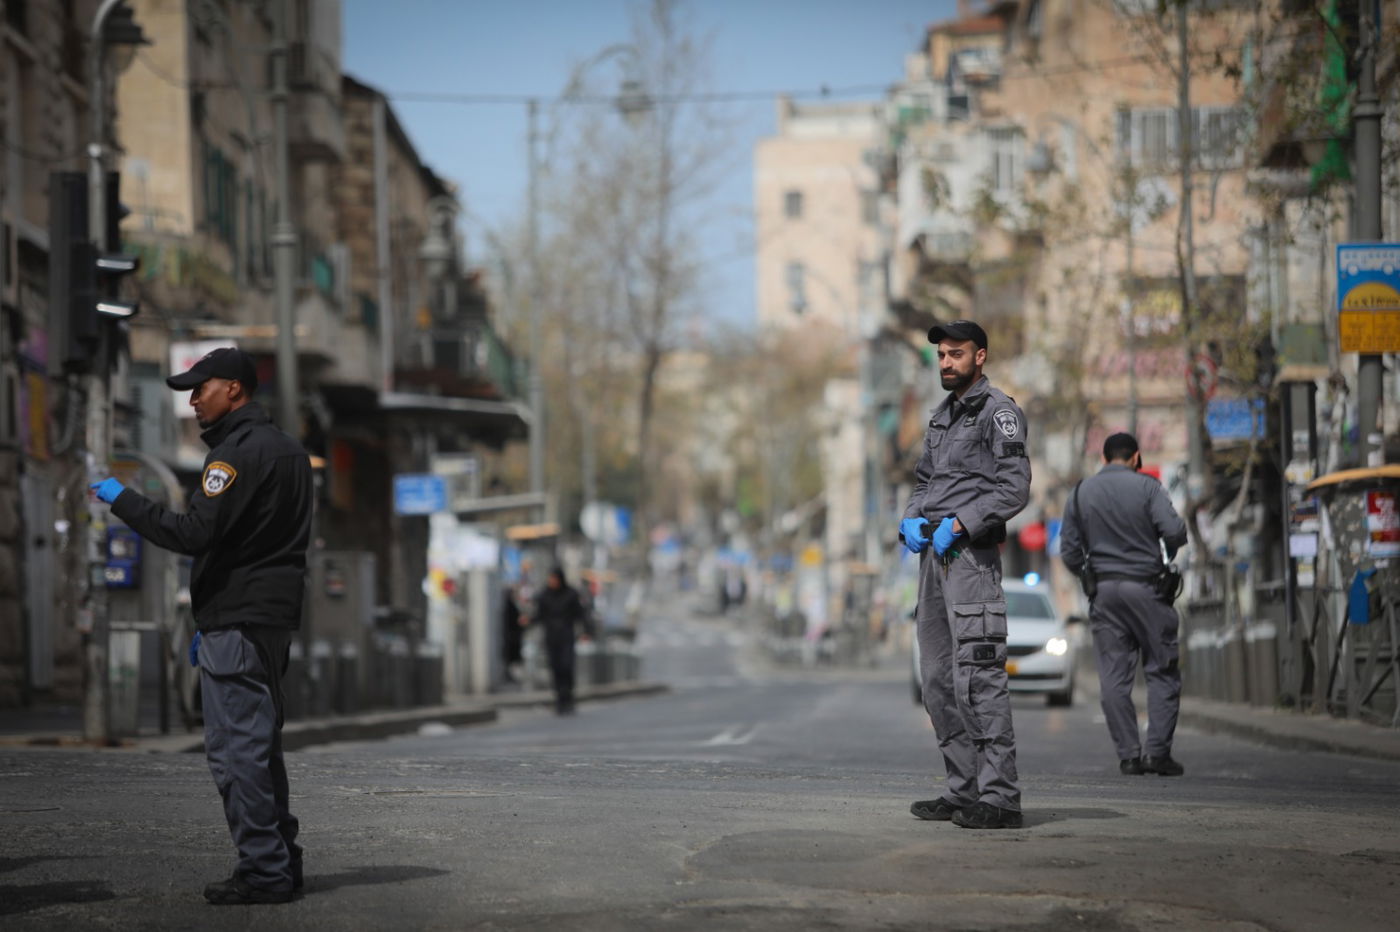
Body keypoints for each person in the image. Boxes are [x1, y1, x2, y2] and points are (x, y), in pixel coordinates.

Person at [89, 347, 312, 904]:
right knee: (260, 748)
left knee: (236, 752)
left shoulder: (231, 458)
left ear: (233, 389)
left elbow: (192, 534)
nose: (192, 401)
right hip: (268, 620)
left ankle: (264, 871)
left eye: (201, 388)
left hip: (236, 620)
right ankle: (282, 862)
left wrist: (122, 500)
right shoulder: (289, 452)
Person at [901, 320, 1031, 830]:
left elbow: (1014, 488)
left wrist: (960, 523)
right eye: (941, 355)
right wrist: (912, 517)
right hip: (932, 559)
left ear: (980, 356)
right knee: (936, 679)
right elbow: (924, 482)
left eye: (956, 354)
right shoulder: (941, 417)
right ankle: (963, 790)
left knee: (977, 676)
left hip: (970, 560)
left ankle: (1001, 797)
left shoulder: (998, 413)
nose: (946, 362)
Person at [1059, 431, 1189, 777]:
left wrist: (1088, 575)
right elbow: (1174, 532)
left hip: (1104, 593)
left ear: (1104, 459)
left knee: (1114, 678)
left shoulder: (1080, 492)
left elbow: (1069, 551)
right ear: (1135, 458)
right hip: (1146, 590)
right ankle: (1157, 753)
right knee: (1161, 670)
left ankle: (1129, 755)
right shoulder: (1148, 488)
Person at [526, 567, 592, 715]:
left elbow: (580, 614)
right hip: (551, 637)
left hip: (566, 637)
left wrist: (586, 631)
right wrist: (528, 620)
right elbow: (539, 614)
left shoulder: (570, 594)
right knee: (555, 669)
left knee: (566, 667)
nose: (552, 582)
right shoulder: (544, 595)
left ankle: (568, 697)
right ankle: (560, 700)